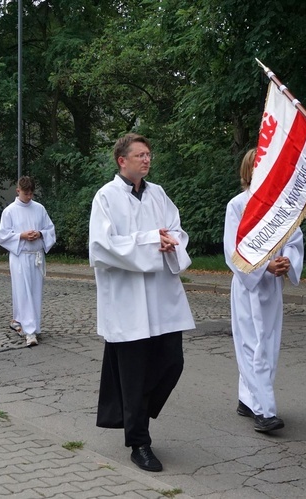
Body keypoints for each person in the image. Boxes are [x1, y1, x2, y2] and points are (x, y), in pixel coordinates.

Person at [89, 133, 195, 473]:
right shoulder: (106, 197)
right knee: (133, 374)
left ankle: (135, 408)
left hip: (162, 298)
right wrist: (153, 240)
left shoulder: (158, 194)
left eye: (149, 154)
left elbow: (177, 231)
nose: (147, 160)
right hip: (128, 301)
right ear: (122, 160)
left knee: (172, 363)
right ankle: (139, 442)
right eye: (140, 155)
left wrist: (171, 243)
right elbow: (103, 246)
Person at [223, 149, 304, 433]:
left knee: (267, 343)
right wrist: (262, 266)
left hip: (272, 287)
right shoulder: (238, 205)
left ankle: (248, 398)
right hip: (248, 285)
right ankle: (264, 410)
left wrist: (286, 262)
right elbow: (233, 249)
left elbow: (294, 240)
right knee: (250, 344)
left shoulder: (283, 206)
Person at [0, 177, 56, 346]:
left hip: (36, 255)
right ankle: (29, 331)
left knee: (35, 291)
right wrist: (21, 236)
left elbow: (50, 229)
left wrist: (40, 234)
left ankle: (33, 326)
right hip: (20, 256)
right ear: (18, 191)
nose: (29, 197)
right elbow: (3, 236)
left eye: (31, 193)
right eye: (25, 193)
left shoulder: (39, 208)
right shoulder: (9, 211)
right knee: (23, 292)